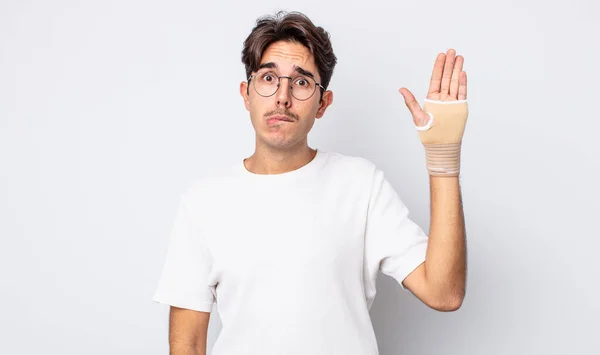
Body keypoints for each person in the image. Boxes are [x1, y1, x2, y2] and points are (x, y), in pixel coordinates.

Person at [152, 10, 468, 355]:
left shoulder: (360, 185)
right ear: (247, 93)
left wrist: (443, 157)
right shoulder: (204, 200)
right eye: (268, 78)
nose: (282, 97)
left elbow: (444, 293)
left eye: (301, 82)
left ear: (323, 103)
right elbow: (187, 343)